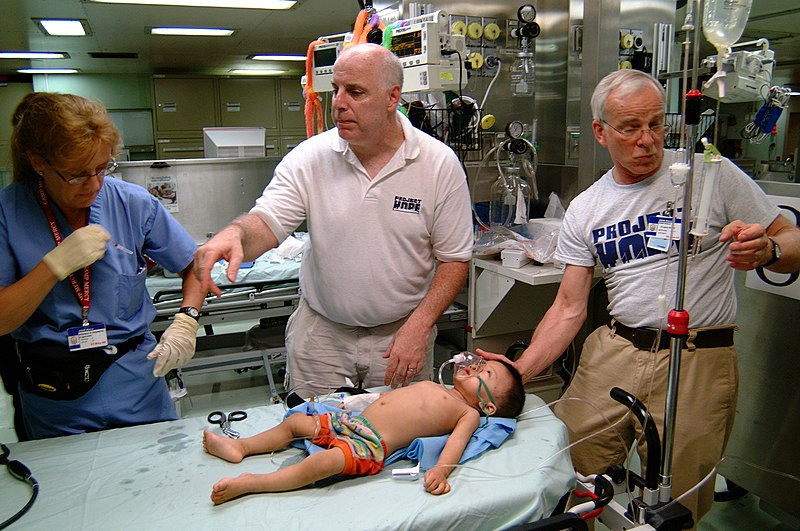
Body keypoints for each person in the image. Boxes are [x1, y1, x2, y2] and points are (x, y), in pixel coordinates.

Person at [478, 69, 800, 526]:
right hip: (615, 351)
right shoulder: (588, 208)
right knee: (567, 473)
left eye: (655, 124)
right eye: (630, 128)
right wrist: (517, 373)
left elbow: (790, 240)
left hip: (696, 360)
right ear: (601, 132)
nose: (647, 140)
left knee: (676, 506)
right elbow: (569, 307)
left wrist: (769, 250)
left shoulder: (709, 174)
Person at [194, 43, 473, 395]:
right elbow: (266, 221)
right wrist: (235, 234)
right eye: (336, 89)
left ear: (392, 98)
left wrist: (420, 325)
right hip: (322, 335)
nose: (339, 103)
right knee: (313, 434)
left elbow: (454, 259)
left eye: (355, 92)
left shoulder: (438, 165)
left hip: (401, 334)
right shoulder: (311, 158)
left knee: (397, 439)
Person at [0, 92, 206, 439]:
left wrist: (187, 320)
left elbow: (194, 266)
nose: (95, 185)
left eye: (102, 168)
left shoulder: (132, 203)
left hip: (136, 382)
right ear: (39, 163)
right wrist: (53, 266)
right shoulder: (9, 211)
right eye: (78, 175)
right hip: (55, 395)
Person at [202, 357, 525, 504]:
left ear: (489, 407)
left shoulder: (466, 413)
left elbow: (455, 445)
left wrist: (441, 472)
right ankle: (241, 446)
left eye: (488, 374)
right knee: (295, 423)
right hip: (353, 423)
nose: (477, 368)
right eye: (482, 364)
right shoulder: (434, 382)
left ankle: (253, 484)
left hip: (369, 445)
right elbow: (388, 400)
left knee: (323, 464)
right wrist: (355, 404)